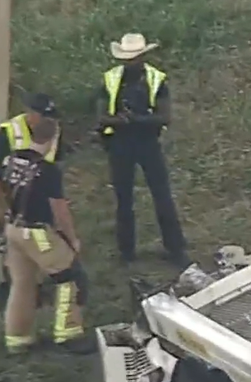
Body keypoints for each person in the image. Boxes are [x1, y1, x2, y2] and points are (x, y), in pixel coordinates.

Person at [0, 118, 94, 355]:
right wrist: (71, 238)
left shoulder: (9, 160)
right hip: (37, 233)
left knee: (22, 284)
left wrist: (2, 210)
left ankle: (17, 339)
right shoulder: (47, 169)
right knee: (70, 277)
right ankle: (68, 334)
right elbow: (60, 209)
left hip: (13, 229)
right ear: (53, 139)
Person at [97, 32, 189, 267]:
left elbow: (165, 117)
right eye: (127, 58)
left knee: (161, 195)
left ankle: (175, 248)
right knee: (124, 199)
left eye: (135, 57)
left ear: (143, 56)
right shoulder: (110, 79)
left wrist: (131, 120)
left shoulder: (156, 79)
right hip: (120, 144)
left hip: (147, 142)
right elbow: (100, 117)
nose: (131, 62)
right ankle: (126, 251)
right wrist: (131, 120)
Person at [0, 93, 66, 304]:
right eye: (44, 116)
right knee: (8, 244)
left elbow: (56, 162)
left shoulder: (54, 129)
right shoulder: (9, 131)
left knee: (41, 241)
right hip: (12, 195)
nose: (50, 121)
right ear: (31, 115)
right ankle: (7, 286)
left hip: (41, 194)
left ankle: (37, 287)